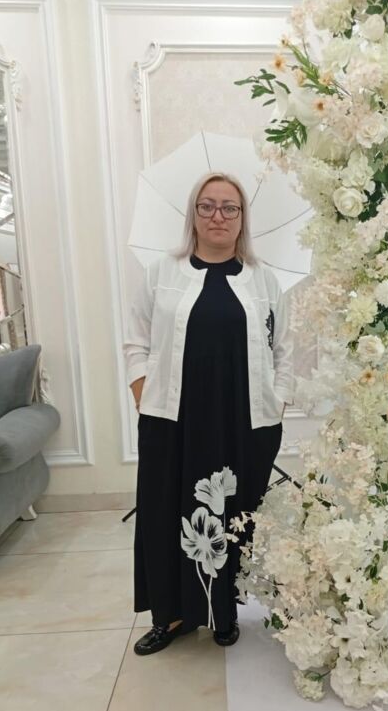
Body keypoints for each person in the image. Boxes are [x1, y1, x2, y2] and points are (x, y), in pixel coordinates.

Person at [123, 172, 294, 655]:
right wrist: (141, 391)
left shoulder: (264, 280)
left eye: (229, 208)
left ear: (242, 219)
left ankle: (223, 611)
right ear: (194, 215)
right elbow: (135, 340)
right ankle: (171, 616)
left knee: (232, 515)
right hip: (172, 419)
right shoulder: (162, 273)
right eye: (207, 206)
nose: (218, 216)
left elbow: (284, 350)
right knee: (165, 512)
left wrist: (278, 400)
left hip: (242, 421)